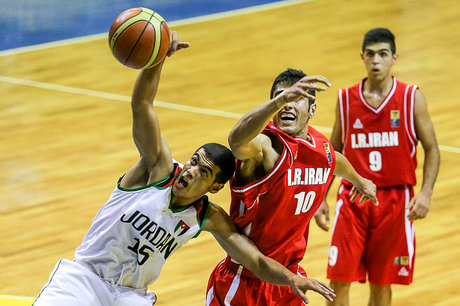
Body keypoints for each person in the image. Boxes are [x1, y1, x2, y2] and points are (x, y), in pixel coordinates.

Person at [33, 32, 335, 306]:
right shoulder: (157, 170)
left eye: (204, 172)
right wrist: (156, 59)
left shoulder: (207, 215)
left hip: (131, 296)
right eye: (194, 161)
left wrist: (293, 279)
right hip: (84, 279)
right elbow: (143, 106)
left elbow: (256, 261)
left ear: (215, 188)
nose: (190, 171)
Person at [206, 68, 378, 305]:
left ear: (312, 110)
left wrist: (360, 181)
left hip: (289, 280)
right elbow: (236, 141)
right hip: (245, 279)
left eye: (297, 98)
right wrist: (282, 100)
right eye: (282, 97)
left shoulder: (321, 148)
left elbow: (335, 160)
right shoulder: (267, 147)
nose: (287, 104)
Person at [314, 28, 441, 306]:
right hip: (353, 199)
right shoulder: (346, 99)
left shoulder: (411, 98)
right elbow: (333, 153)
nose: (376, 61)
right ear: (362, 57)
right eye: (370, 55)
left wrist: (426, 193)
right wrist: (322, 197)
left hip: (395, 202)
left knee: (382, 283)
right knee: (338, 280)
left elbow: (432, 148)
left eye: (383, 54)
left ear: (394, 57)